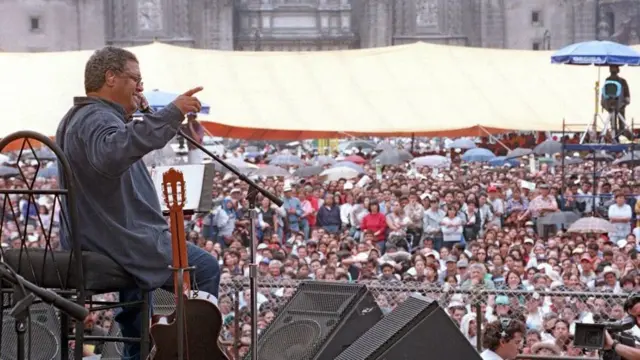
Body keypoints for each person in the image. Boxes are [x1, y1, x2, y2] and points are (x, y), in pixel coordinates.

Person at [55, 46, 220, 360]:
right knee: (205, 268)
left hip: (110, 237)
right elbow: (113, 153)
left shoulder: (82, 117)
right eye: (136, 80)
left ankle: (137, 352)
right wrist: (170, 114)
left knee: (140, 273)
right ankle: (191, 352)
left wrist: (144, 116)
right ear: (111, 77)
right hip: (117, 240)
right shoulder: (96, 118)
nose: (141, 88)